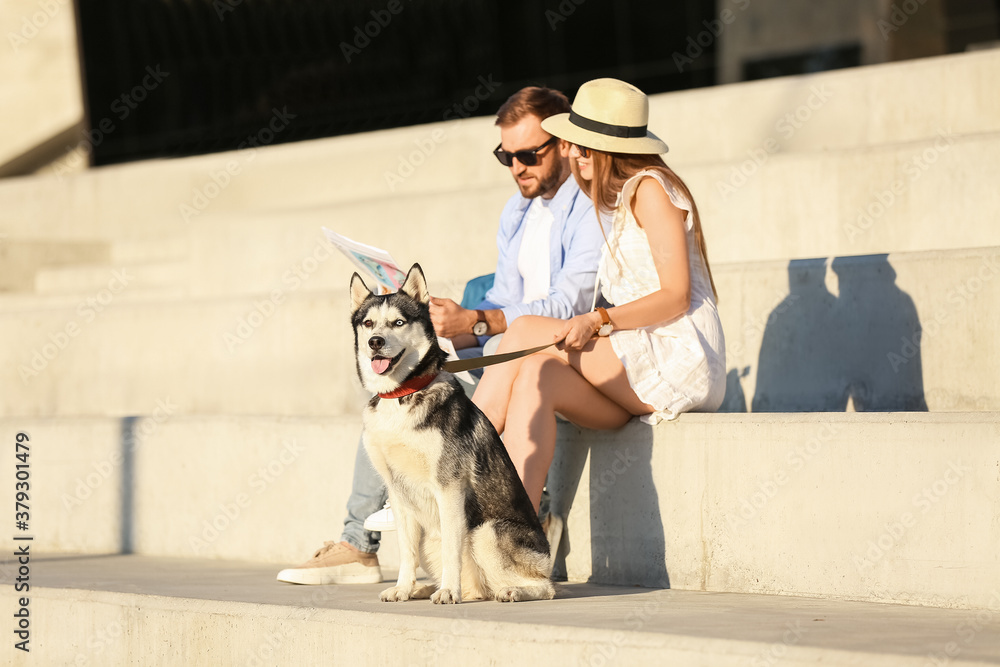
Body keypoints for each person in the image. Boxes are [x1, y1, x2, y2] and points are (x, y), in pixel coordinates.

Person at [277, 86, 604, 585]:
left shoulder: (588, 209)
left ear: (563, 143)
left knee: (416, 398)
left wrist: (476, 322)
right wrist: (444, 322)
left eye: (527, 153)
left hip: (557, 355)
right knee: (393, 392)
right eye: (504, 155)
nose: (516, 166)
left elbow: (568, 307)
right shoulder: (516, 212)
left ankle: (518, 516)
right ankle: (359, 544)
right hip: (502, 353)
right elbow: (501, 308)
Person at [471, 78, 727, 511]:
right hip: (636, 357)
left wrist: (599, 320)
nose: (569, 152)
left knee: (522, 333)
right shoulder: (611, 200)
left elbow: (677, 296)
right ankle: (517, 535)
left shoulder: (650, 188)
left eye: (577, 145)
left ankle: (454, 464)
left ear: (601, 149)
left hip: (677, 356)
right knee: (536, 375)